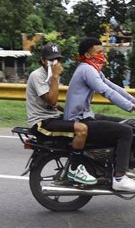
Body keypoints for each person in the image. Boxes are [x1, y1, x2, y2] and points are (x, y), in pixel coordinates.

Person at [64, 37, 135, 192]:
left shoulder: (92, 69)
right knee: (125, 132)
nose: (102, 55)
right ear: (88, 55)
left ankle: (112, 163)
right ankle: (120, 177)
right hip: (79, 120)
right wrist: (133, 108)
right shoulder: (87, 70)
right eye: (99, 52)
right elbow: (106, 92)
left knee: (125, 123)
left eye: (102, 51)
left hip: (86, 116)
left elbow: (113, 86)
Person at [26, 43, 97, 185]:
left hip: (52, 118)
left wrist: (66, 111)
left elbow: (52, 104)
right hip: (41, 122)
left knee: (89, 123)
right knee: (81, 130)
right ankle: (75, 169)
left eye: (57, 59)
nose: (54, 63)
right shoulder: (38, 75)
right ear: (42, 60)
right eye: (50, 60)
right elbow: (51, 99)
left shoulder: (52, 75)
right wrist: (55, 76)